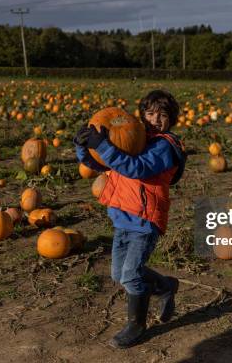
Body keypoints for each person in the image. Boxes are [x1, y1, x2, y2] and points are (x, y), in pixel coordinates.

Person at [74, 90, 186, 349]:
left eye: (162, 115)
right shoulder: (134, 137)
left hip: (145, 222)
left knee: (131, 276)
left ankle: (137, 326)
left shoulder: (164, 146)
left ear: (172, 120)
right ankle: (166, 286)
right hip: (122, 218)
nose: (154, 119)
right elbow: (105, 165)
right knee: (119, 274)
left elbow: (136, 168)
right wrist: (83, 146)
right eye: (149, 113)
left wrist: (103, 145)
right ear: (141, 114)